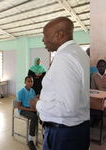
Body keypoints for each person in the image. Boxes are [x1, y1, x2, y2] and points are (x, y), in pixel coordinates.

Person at [29, 17, 90, 150]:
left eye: (45, 35)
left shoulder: (64, 58)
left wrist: (37, 104)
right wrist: (46, 98)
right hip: (75, 131)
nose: (43, 40)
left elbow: (68, 108)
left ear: (60, 35)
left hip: (63, 135)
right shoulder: (79, 53)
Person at [90, 59, 106, 127]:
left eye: (103, 66)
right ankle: (96, 119)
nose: (101, 68)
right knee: (92, 104)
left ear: (105, 67)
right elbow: (93, 89)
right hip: (98, 96)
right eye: (99, 66)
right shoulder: (94, 76)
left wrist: (105, 96)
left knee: (104, 107)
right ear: (97, 67)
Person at [17, 76, 38, 150]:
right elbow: (18, 106)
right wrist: (30, 110)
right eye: (28, 81)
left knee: (43, 114)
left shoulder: (32, 91)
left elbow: (34, 101)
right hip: (23, 110)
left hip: (31, 109)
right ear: (25, 82)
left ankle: (45, 133)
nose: (30, 83)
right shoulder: (21, 92)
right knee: (34, 117)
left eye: (31, 81)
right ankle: (30, 139)